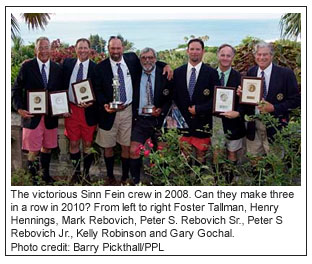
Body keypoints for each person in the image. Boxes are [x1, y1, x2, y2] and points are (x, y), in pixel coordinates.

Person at [94, 36, 172, 185]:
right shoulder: (100, 67)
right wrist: (105, 105)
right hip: (108, 113)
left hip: (128, 111)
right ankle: (110, 177)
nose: (116, 51)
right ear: (108, 49)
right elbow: (97, 90)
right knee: (108, 146)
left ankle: (125, 177)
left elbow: (149, 61)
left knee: (126, 146)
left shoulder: (131, 59)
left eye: (118, 48)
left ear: (123, 48)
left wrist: (166, 64)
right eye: (112, 48)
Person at [12, 36, 63, 185]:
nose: (44, 50)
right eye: (41, 47)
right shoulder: (27, 67)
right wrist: (19, 108)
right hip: (32, 116)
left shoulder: (57, 69)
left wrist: (63, 108)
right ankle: (34, 180)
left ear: (51, 50)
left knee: (47, 148)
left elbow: (60, 92)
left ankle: (46, 176)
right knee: (33, 151)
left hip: (50, 117)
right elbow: (16, 89)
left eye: (46, 47)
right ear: (36, 50)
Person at [244, 42, 300, 156]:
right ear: (254, 56)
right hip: (254, 126)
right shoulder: (251, 72)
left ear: (272, 56)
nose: (262, 57)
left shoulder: (286, 74)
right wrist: (242, 93)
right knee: (255, 159)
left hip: (275, 127)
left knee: (276, 162)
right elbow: (249, 96)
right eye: (259, 54)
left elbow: (296, 100)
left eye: (265, 54)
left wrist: (274, 108)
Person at [129, 47, 172, 185]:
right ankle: (136, 183)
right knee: (134, 150)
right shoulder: (134, 73)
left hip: (159, 120)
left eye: (151, 57)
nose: (147, 60)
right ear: (140, 59)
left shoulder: (165, 74)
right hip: (140, 120)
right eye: (144, 57)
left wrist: (161, 110)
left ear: (155, 59)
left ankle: (159, 183)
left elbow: (170, 98)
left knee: (162, 152)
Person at [173, 38, 220, 163]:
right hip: (183, 122)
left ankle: (198, 181)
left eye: (198, 49)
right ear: (187, 51)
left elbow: (216, 98)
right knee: (184, 155)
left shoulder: (212, 73)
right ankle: (186, 181)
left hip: (202, 121)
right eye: (192, 49)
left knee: (201, 155)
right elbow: (174, 97)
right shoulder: (177, 72)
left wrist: (199, 109)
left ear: (203, 51)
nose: (195, 52)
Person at [62, 38, 98, 184]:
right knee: (74, 144)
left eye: (85, 48)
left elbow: (100, 91)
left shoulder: (96, 68)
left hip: (88, 112)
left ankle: (86, 174)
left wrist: (91, 102)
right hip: (71, 110)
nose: (83, 50)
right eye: (80, 48)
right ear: (76, 49)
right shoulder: (67, 64)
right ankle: (76, 174)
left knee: (88, 145)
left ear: (89, 50)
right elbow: (58, 81)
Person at [212, 44, 246, 183]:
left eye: (228, 55)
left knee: (232, 152)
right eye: (223, 55)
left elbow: (245, 101)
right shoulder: (210, 74)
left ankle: (229, 180)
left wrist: (238, 113)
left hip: (233, 120)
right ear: (218, 55)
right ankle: (217, 180)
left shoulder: (240, 77)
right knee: (217, 152)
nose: (225, 58)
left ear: (233, 57)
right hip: (215, 120)